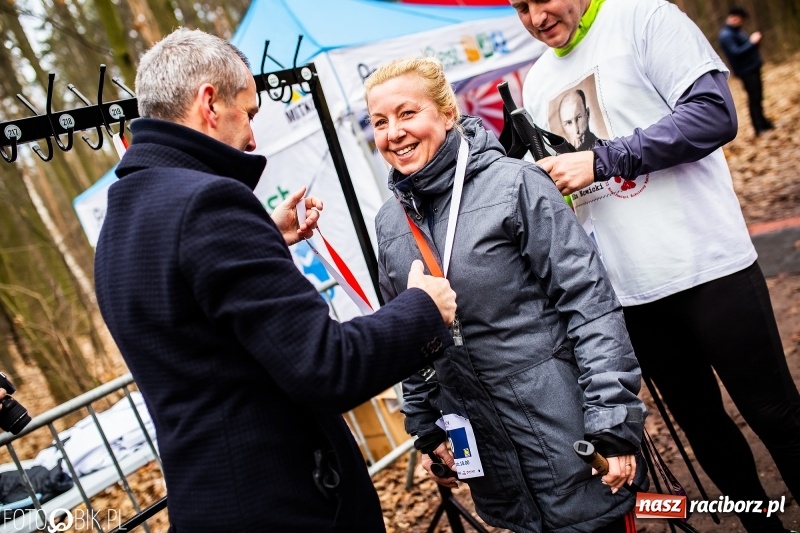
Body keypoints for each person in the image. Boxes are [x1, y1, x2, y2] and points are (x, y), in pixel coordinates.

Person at [94, 28, 459, 532]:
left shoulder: (126, 212)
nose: (252, 136)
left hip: (210, 503)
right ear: (209, 103)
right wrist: (422, 307)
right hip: (285, 507)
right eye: (248, 112)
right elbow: (326, 366)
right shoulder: (209, 204)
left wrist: (262, 237)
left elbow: (194, 314)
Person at [513, 0, 800, 531]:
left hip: (710, 269)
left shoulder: (646, 18)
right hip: (629, 297)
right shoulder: (535, 82)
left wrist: (601, 159)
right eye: (518, 7)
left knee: (775, 414)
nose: (534, 17)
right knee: (706, 431)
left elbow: (715, 114)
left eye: (540, 0)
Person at [364, 56, 647, 533]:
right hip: (487, 453)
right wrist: (427, 425)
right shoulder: (389, 225)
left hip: (567, 436)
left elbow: (590, 304)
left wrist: (613, 421)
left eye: (407, 113)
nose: (393, 132)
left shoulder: (515, 183)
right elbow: (406, 332)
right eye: (379, 122)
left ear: (447, 114)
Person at [719, 7, 774, 136]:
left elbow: (747, 49)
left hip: (752, 68)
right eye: (740, 19)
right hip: (746, 72)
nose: (741, 22)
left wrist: (754, 44)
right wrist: (752, 42)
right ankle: (758, 128)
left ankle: (763, 122)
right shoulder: (726, 35)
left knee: (758, 97)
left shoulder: (736, 32)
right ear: (733, 17)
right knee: (753, 98)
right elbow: (736, 53)